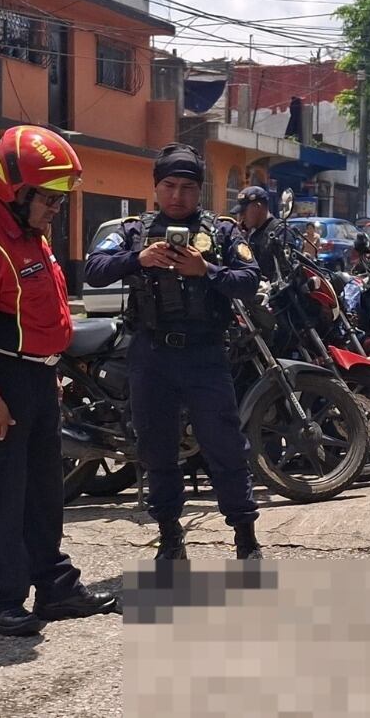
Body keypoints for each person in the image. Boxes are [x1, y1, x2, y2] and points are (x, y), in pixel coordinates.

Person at [0, 125, 119, 637]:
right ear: (17, 191)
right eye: (50, 197)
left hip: (37, 382)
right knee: (1, 495)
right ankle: (2, 598)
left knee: (44, 490)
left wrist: (51, 375)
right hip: (0, 384)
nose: (57, 208)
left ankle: (55, 587)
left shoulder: (30, 238)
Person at [84, 144, 264, 560]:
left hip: (205, 354)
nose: (177, 195)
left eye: (187, 187)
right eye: (169, 185)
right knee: (156, 449)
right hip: (152, 355)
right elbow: (94, 270)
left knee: (225, 448)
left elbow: (249, 279)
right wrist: (138, 258)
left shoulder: (221, 232)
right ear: (156, 188)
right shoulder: (133, 230)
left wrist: (207, 270)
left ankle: (246, 538)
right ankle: (169, 537)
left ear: (199, 191)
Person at [234, 184, 288, 282]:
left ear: (257, 207)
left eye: (243, 212)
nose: (241, 217)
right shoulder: (253, 234)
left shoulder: (280, 232)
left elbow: (288, 275)